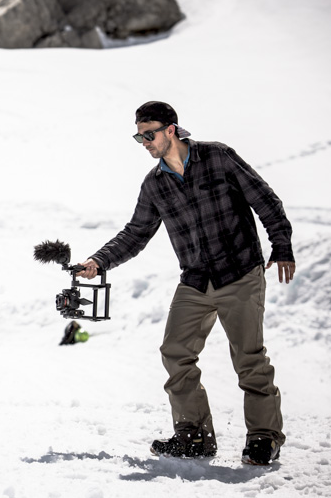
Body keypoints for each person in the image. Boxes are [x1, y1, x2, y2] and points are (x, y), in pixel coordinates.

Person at [76, 101, 295, 466]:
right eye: (138, 136)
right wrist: (98, 262)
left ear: (171, 130)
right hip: (195, 280)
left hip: (239, 273)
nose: (144, 142)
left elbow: (264, 198)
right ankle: (193, 435)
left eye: (149, 134)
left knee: (248, 358)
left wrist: (282, 245)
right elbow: (136, 233)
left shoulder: (218, 158)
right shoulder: (155, 185)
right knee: (175, 352)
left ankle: (263, 436)